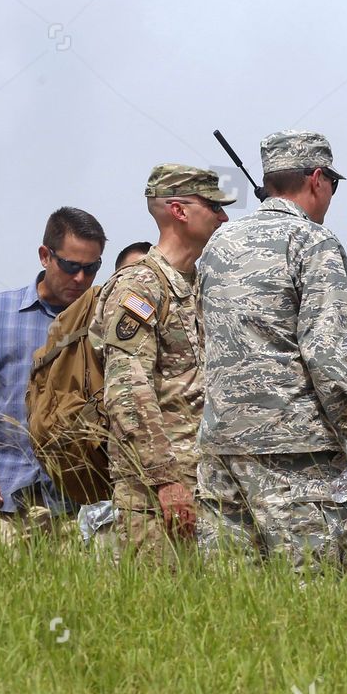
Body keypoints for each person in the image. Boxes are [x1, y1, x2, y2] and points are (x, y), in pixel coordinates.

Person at [196, 131, 347, 572]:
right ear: (317, 179)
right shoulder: (314, 243)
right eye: (333, 185)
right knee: (310, 599)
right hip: (297, 456)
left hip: (222, 450)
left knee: (231, 599)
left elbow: (206, 341)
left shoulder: (218, 245)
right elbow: (328, 355)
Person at [90, 164, 232, 558]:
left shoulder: (202, 286)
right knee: (160, 609)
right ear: (180, 211)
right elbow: (128, 393)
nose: (223, 217)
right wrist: (166, 482)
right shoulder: (139, 285)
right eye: (213, 206)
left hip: (210, 486)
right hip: (157, 498)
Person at [0, 206, 107, 548]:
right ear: (44, 256)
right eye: (70, 266)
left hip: (78, 502)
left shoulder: (104, 321)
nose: (80, 278)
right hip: (3, 496)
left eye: (91, 268)